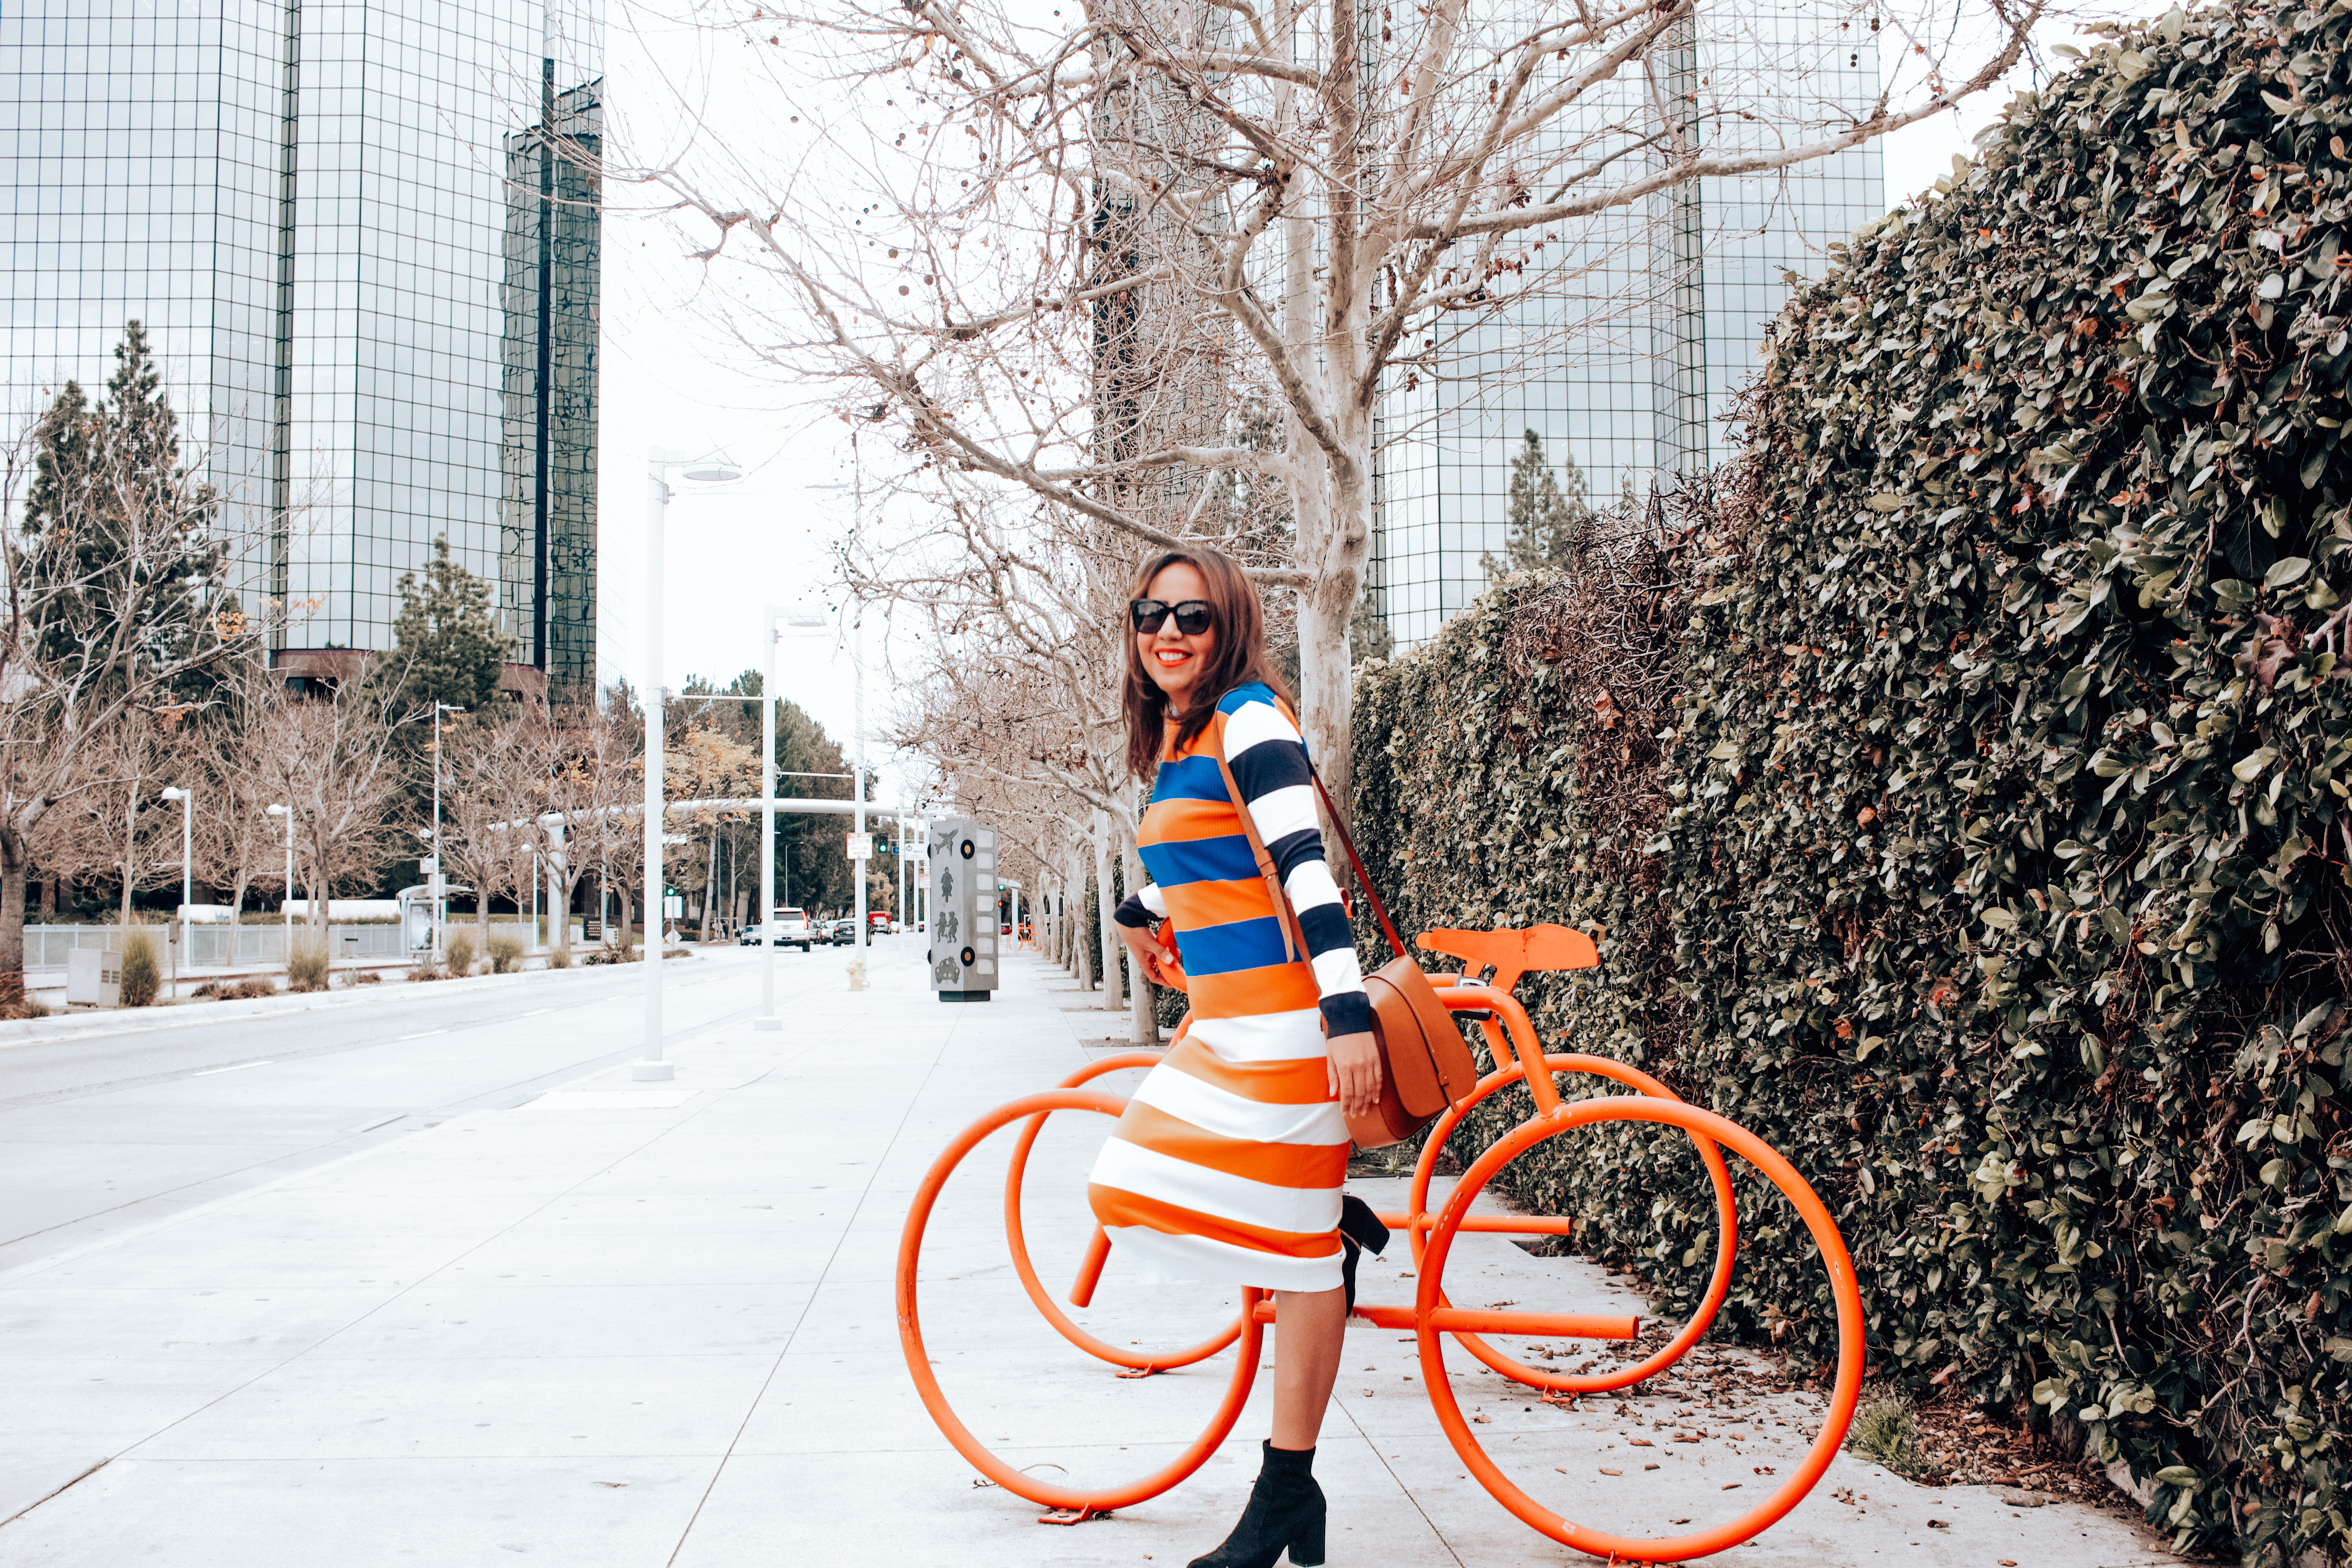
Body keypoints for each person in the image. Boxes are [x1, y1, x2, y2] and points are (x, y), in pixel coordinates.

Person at [1086, 546, 1388, 1568]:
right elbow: (1207, 859)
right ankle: (1290, 1497)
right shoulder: (1182, 737)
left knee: (1128, 1179)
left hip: (1286, 1025)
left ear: (1231, 628)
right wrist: (1140, 912)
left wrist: (1347, 1016)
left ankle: (1284, 1494)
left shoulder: (1253, 716)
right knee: (1276, 1244)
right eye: (1150, 614)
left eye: (1194, 617)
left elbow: (1305, 870)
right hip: (1228, 1021)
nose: (1168, 632)